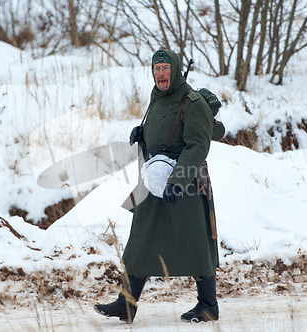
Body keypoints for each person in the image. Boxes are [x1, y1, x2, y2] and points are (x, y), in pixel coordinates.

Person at [94, 49, 219, 323]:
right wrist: (143, 135)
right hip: (154, 180)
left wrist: (177, 180)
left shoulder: (192, 102)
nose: (161, 74)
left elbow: (198, 146)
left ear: (174, 70)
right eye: (156, 68)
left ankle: (208, 306)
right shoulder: (156, 97)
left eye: (165, 68)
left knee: (196, 242)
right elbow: (162, 132)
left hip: (185, 185)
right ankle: (126, 305)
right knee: (141, 239)